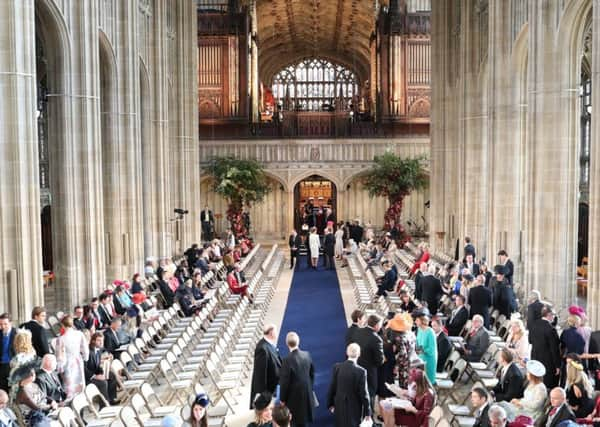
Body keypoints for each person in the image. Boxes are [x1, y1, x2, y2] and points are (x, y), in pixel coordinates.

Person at [327, 343, 371, 427]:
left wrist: (330, 404)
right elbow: (364, 394)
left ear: (347, 353)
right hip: (354, 407)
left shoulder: (337, 367)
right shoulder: (361, 371)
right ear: (359, 354)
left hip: (339, 405)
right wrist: (367, 412)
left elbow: (332, 387)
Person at [279, 332, 315, 427]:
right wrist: (309, 387)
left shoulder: (286, 360)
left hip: (293, 398)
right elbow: (312, 373)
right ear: (298, 342)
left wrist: (282, 399)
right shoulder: (307, 355)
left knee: (295, 421)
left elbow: (284, 382)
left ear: (287, 344)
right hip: (306, 393)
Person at [354, 314, 384, 412]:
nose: (381, 327)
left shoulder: (358, 331)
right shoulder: (376, 339)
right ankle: (369, 419)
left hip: (357, 367)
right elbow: (379, 361)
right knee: (370, 394)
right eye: (380, 324)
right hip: (370, 373)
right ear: (376, 325)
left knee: (358, 392)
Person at [54, 315, 89, 399]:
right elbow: (85, 349)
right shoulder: (79, 334)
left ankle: (71, 405)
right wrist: (85, 358)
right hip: (78, 360)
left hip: (67, 362)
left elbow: (59, 356)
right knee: (80, 383)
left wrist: (60, 369)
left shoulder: (61, 339)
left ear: (62, 325)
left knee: (70, 386)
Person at [529, 305, 561, 389]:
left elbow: (530, 341)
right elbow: (555, 349)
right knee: (548, 385)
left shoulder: (533, 325)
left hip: (535, 358)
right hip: (548, 363)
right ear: (549, 315)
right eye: (553, 315)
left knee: (536, 383)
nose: (554, 317)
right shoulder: (551, 329)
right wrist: (557, 365)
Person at [251, 325, 282, 408]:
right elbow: (261, 374)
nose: (276, 333)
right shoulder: (262, 349)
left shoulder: (268, 344)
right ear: (271, 333)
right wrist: (263, 396)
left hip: (274, 385)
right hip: (269, 388)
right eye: (275, 331)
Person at [85, 332, 118, 405]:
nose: (101, 343)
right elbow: (84, 369)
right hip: (88, 377)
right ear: (93, 341)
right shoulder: (88, 351)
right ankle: (104, 404)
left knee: (111, 375)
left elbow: (98, 364)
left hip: (96, 372)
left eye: (102, 341)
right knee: (103, 383)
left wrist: (102, 373)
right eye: (99, 340)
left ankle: (111, 399)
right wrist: (95, 376)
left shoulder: (99, 349)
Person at [386, 312, 416, 387]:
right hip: (413, 361)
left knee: (404, 387)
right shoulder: (411, 334)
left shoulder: (399, 338)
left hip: (404, 366)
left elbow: (402, 355)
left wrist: (396, 367)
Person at [414, 309, 437, 384]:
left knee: (427, 381)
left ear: (422, 320)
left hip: (429, 359)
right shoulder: (419, 329)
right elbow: (417, 343)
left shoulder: (430, 332)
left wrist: (420, 350)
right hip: (420, 357)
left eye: (417, 320)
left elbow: (431, 350)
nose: (415, 322)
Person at [0, 314, 16, 393]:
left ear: (10, 323)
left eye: (5, 324)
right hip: (1, 367)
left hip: (13, 366)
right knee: (2, 390)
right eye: (1, 324)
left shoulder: (17, 333)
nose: (3, 326)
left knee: (13, 390)